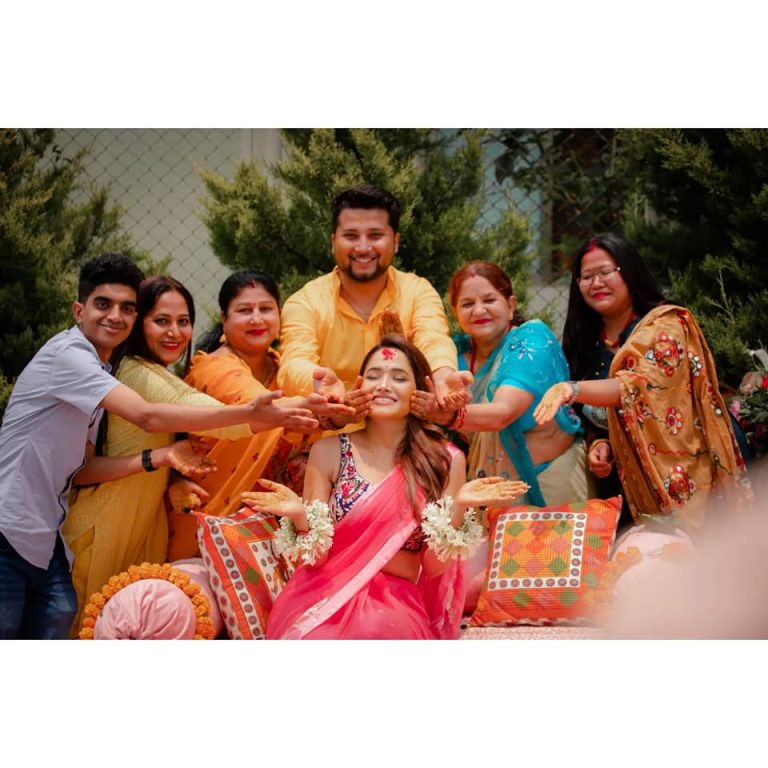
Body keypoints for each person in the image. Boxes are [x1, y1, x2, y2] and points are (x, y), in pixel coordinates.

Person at [0, 253, 317, 640]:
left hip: (82, 530)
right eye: (161, 320)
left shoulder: (106, 371)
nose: (175, 332)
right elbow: (157, 415)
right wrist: (263, 412)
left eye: (183, 321)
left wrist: (159, 459)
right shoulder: (96, 364)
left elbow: (84, 468)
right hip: (50, 527)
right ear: (79, 310)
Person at [243, 335, 529, 639]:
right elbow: (314, 559)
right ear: (359, 387)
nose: (383, 385)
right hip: (321, 596)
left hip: (394, 602)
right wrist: (300, 517)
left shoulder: (444, 461)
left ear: (421, 390)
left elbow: (434, 567)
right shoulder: (329, 451)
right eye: (373, 376)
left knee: (375, 628)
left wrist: (459, 508)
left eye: (399, 378)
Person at [534, 232, 751, 532]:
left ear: (629, 270)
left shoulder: (664, 325)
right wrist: (600, 442)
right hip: (628, 481)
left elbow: (637, 387)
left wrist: (571, 389)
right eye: (586, 277)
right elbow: (593, 417)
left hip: (690, 470)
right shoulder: (583, 341)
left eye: (606, 272)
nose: (596, 283)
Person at [167, 270, 352, 560]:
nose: (256, 319)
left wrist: (342, 407)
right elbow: (258, 407)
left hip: (279, 529)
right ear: (224, 319)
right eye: (244, 310)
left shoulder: (285, 372)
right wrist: (326, 407)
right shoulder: (213, 368)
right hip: (212, 517)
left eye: (265, 309)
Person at [276, 184, 459, 428]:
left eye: (375, 236)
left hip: (405, 441)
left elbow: (434, 340)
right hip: (330, 444)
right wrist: (320, 383)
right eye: (351, 236)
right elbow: (294, 363)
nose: (363, 248)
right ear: (334, 241)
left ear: (395, 242)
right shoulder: (305, 302)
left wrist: (442, 375)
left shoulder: (417, 292)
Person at [414, 260, 588, 508]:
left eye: (489, 300)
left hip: (551, 480)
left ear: (510, 305)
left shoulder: (532, 340)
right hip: (488, 489)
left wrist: (448, 414)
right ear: (455, 312)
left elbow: (503, 413)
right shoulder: (452, 359)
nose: (478, 310)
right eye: (467, 304)